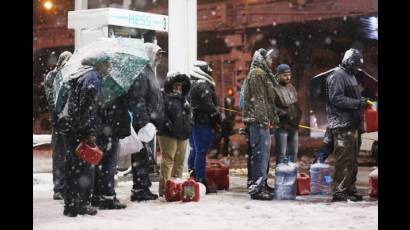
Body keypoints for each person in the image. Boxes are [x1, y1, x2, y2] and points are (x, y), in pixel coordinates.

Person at [60, 53, 111, 217]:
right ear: (100, 64)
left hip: (70, 128)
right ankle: (80, 204)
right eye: (107, 64)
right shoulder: (92, 77)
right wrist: (89, 132)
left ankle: (71, 204)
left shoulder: (78, 75)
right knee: (84, 170)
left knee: (72, 168)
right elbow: (88, 107)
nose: (109, 67)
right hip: (81, 131)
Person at [325, 48, 370, 202]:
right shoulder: (337, 75)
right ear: (349, 62)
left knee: (352, 160)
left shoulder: (351, 76)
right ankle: (340, 190)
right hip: (342, 125)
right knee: (344, 159)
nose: (358, 67)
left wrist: (362, 101)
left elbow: (349, 97)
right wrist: (358, 103)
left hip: (353, 125)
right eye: (356, 64)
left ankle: (349, 188)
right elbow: (336, 99)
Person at [127, 43, 165, 202]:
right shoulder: (142, 72)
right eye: (157, 54)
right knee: (141, 156)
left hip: (147, 123)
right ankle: (140, 189)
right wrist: (143, 121)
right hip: (142, 124)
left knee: (144, 156)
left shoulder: (148, 71)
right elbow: (139, 100)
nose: (160, 58)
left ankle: (143, 186)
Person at [242, 48, 279, 200]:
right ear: (263, 59)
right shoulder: (257, 73)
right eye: (269, 58)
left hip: (260, 120)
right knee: (260, 155)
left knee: (263, 155)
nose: (271, 61)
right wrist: (264, 119)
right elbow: (259, 100)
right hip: (258, 122)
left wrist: (272, 117)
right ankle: (257, 188)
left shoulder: (262, 73)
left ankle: (261, 184)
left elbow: (267, 101)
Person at [188, 60, 222, 193]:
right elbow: (208, 105)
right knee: (200, 152)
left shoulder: (192, 83)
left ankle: (193, 178)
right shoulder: (202, 85)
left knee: (195, 151)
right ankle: (200, 181)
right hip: (202, 122)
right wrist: (217, 116)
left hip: (194, 122)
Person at [90, 94, 129, 210]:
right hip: (110, 131)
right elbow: (111, 112)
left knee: (100, 164)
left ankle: (97, 196)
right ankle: (107, 197)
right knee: (108, 165)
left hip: (104, 131)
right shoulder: (112, 92)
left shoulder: (100, 88)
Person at [157, 71, 192, 197]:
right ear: (170, 85)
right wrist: (169, 125)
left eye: (180, 86)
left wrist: (189, 124)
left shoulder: (185, 99)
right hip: (168, 134)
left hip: (182, 134)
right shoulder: (163, 96)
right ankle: (165, 189)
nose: (178, 88)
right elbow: (161, 114)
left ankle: (175, 188)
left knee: (180, 162)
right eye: (176, 85)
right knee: (168, 160)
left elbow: (188, 116)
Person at [43, 51, 72, 200]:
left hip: (69, 123)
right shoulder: (52, 76)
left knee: (69, 156)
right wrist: (61, 114)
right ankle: (59, 188)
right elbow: (52, 100)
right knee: (59, 156)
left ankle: (66, 186)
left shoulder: (70, 76)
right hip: (59, 123)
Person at [273, 64, 302, 164]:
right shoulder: (274, 89)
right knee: (281, 155)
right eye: (285, 75)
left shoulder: (291, 88)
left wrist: (296, 117)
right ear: (278, 75)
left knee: (293, 154)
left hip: (293, 127)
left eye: (289, 74)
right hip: (282, 127)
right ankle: (281, 178)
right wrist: (284, 113)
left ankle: (291, 177)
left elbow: (295, 105)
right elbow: (271, 108)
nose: (288, 77)